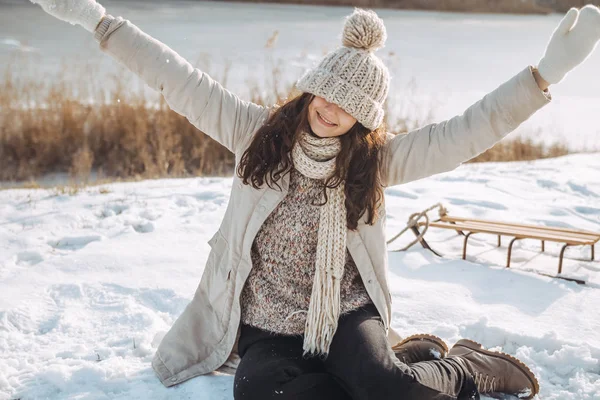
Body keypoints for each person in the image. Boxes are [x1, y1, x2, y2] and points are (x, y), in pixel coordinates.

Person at [30, 1, 600, 399]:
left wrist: (543, 75)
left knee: (388, 391)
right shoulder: (256, 135)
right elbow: (177, 78)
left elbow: (465, 132)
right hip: (267, 325)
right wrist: (99, 22)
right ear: (312, 87)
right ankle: (400, 368)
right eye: (325, 93)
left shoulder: (374, 164)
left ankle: (469, 369)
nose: (330, 109)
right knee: (260, 392)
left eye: (347, 104)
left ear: (364, 119)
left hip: (346, 314)